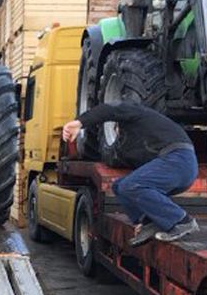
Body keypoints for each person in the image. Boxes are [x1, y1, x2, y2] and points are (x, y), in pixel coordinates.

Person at [62, 101, 199, 245]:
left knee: (131, 185)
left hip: (179, 160)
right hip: (176, 166)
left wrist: (79, 123)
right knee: (119, 186)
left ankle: (182, 221)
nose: (117, 135)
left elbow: (108, 110)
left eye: (117, 130)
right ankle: (148, 221)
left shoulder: (134, 112)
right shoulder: (142, 139)